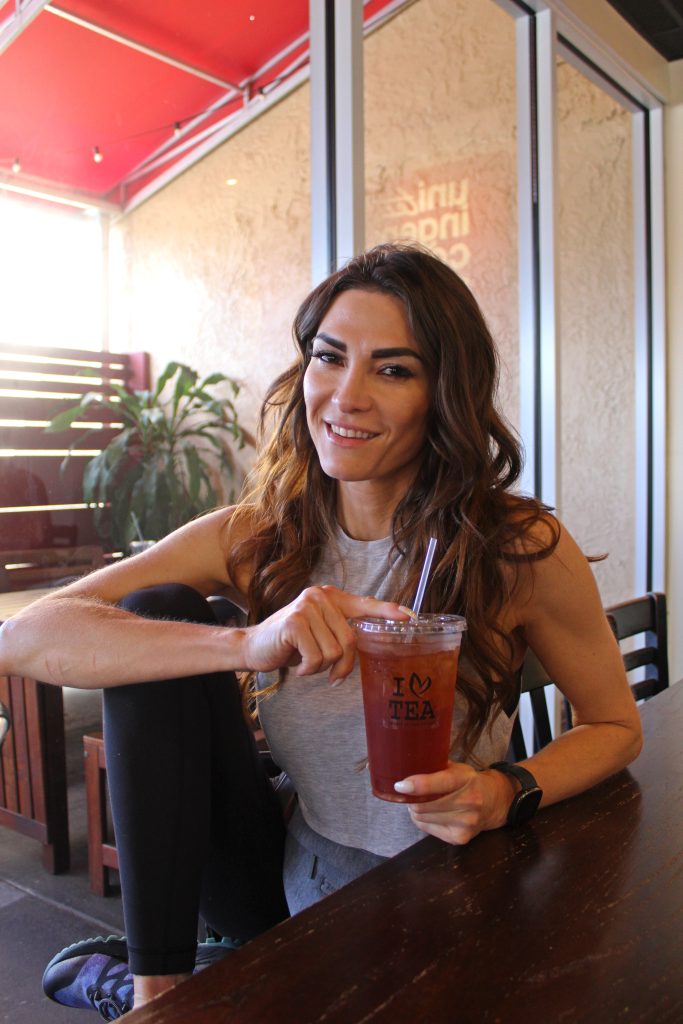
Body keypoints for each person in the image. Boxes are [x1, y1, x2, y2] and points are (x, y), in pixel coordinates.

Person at [0, 243, 642, 1019]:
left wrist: (506, 789)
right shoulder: (256, 537)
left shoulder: (514, 547)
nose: (346, 395)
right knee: (155, 612)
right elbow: (25, 634)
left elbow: (615, 726)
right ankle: (154, 992)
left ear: (446, 394)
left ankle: (216, 980)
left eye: (393, 369)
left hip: (449, 878)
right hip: (284, 869)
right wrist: (244, 644)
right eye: (329, 358)